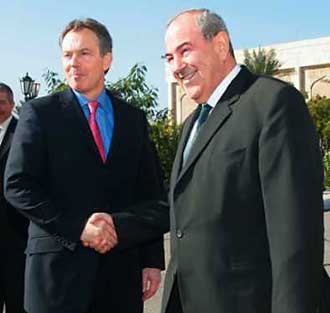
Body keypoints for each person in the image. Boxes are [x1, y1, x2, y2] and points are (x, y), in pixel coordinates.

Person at [96, 8, 326, 313]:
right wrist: (117, 224)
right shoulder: (193, 123)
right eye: (169, 57)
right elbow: (180, 204)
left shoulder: (272, 103)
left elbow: (294, 231)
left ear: (220, 44)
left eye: (184, 51)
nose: (176, 66)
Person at [4, 18, 165, 313]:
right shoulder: (39, 113)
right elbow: (17, 185)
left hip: (120, 276)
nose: (73, 63)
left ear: (107, 60)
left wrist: (152, 261)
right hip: (56, 278)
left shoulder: (133, 119)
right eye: (67, 55)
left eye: (84, 54)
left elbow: (149, 191)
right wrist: (78, 229)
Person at [0, 83, 28, 313]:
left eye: (1, 102)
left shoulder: (24, 133)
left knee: (17, 301)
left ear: (11, 103)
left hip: (16, 234)